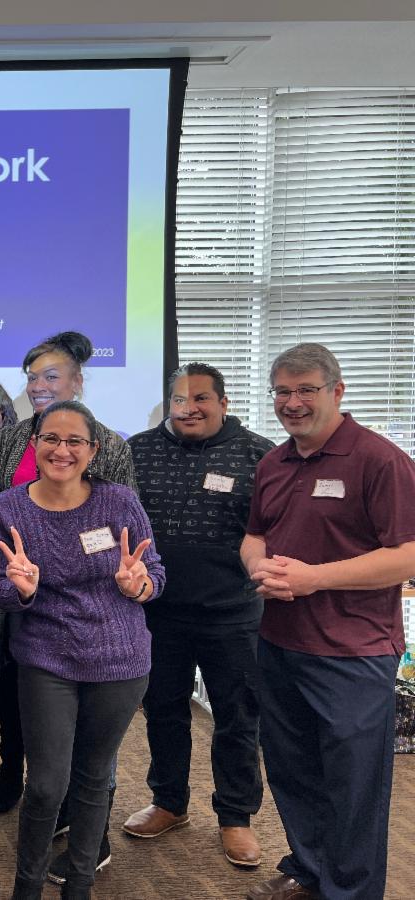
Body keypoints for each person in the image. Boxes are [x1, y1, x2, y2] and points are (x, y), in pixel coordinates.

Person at [241, 343, 415, 900]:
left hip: (354, 652)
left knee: (354, 786)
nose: (293, 403)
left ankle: (351, 891)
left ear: (337, 392)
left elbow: (409, 554)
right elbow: (255, 534)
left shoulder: (379, 460)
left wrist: (316, 578)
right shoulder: (274, 461)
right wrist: (256, 563)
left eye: (306, 390)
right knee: (293, 773)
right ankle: (310, 873)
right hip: (281, 642)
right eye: (283, 392)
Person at [0, 400, 163, 900]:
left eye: (74, 442)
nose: (61, 450)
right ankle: (28, 885)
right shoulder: (8, 508)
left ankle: (79, 885)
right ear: (33, 445)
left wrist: (138, 586)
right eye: (50, 439)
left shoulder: (119, 501)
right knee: (45, 784)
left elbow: (156, 575)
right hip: (46, 659)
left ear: (93, 450)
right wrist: (20, 589)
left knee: (93, 778)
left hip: (119, 660)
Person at [123, 364, 274, 869]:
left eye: (201, 398)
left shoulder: (259, 454)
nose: (189, 408)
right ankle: (170, 802)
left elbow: (276, 529)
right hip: (156, 611)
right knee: (163, 710)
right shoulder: (137, 450)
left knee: (237, 717)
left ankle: (236, 818)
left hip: (232, 614)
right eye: (180, 399)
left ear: (224, 402)